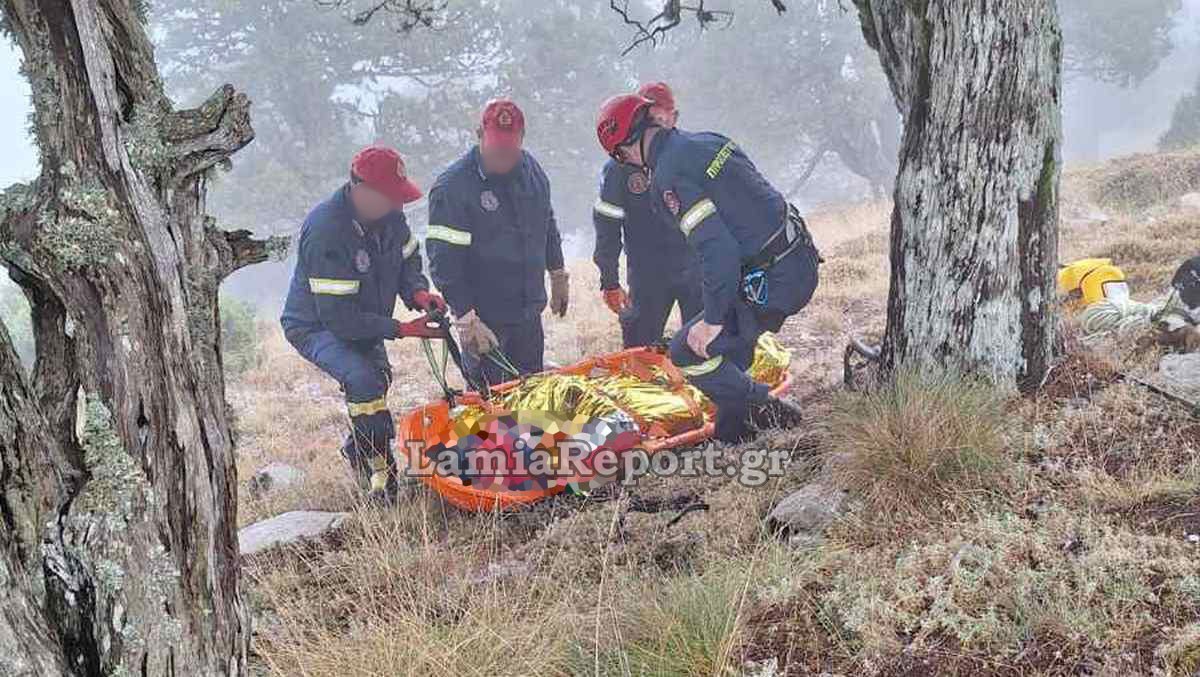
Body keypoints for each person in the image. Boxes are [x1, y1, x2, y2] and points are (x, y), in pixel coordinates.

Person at [595, 94, 820, 442]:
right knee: (726, 352)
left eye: (620, 156)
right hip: (798, 256)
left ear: (627, 145)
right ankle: (733, 432)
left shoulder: (668, 174)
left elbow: (718, 249)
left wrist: (712, 320)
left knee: (687, 349)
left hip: (774, 279)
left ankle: (768, 408)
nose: (626, 163)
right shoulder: (708, 141)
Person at [280, 145, 447, 500]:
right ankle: (381, 481)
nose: (398, 204)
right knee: (363, 381)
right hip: (317, 325)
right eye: (391, 197)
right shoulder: (326, 230)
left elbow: (408, 259)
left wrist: (418, 293)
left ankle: (358, 449)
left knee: (379, 379)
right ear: (361, 190)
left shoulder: (391, 216)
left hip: (363, 318)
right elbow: (340, 319)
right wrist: (402, 329)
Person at [426, 98, 569, 387]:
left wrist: (557, 271)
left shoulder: (532, 173)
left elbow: (546, 223)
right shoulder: (453, 188)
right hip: (485, 321)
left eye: (510, 149)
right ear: (480, 135)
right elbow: (444, 261)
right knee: (492, 403)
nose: (503, 157)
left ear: (522, 139)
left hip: (528, 312)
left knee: (531, 393)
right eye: (496, 149)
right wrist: (466, 317)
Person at [593, 82, 701, 348]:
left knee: (706, 345)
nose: (653, 131)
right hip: (647, 274)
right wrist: (609, 281)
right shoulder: (619, 168)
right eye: (647, 122)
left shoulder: (691, 154)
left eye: (659, 121)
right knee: (639, 348)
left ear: (674, 117)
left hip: (696, 267)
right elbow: (607, 228)